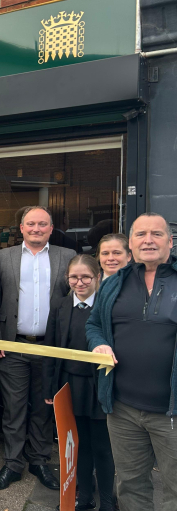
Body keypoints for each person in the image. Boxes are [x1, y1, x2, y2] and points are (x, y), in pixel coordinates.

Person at [87, 213, 177, 511]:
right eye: (140, 234)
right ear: (132, 243)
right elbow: (94, 324)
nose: (148, 240)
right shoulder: (114, 283)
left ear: (170, 241)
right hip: (123, 409)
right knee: (130, 485)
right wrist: (99, 343)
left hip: (171, 414)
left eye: (156, 234)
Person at [0, 206, 75, 491]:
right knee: (13, 410)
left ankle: (39, 460)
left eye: (43, 224)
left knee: (43, 409)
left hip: (51, 350)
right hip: (13, 346)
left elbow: (74, 301)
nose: (37, 229)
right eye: (31, 224)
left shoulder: (66, 257)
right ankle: (12, 463)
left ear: (51, 228)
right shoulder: (3, 256)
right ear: (21, 228)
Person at [43, 255, 115, 511]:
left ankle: (108, 501)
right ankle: (84, 497)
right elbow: (51, 349)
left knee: (103, 447)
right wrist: (50, 389)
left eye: (86, 277)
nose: (80, 282)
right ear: (67, 279)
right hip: (70, 386)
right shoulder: (60, 306)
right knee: (78, 445)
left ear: (97, 277)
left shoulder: (108, 307)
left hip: (99, 387)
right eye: (74, 277)